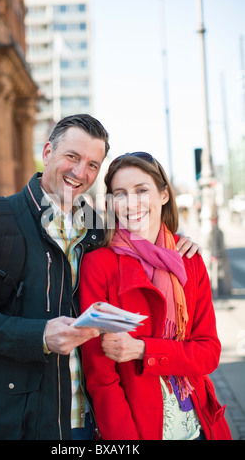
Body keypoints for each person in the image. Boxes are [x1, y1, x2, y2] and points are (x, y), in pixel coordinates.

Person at [0, 117, 199, 440]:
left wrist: (180, 241)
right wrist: (39, 336)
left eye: (93, 165)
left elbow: (143, 231)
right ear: (48, 151)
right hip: (33, 422)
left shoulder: (97, 225)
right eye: (72, 157)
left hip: (97, 420)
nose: (81, 173)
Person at [79, 151, 232, 441]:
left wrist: (142, 351)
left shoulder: (189, 260)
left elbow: (208, 353)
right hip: (141, 429)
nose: (131, 202)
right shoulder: (99, 266)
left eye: (142, 190)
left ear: (163, 195)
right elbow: (101, 378)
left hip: (201, 425)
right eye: (120, 194)